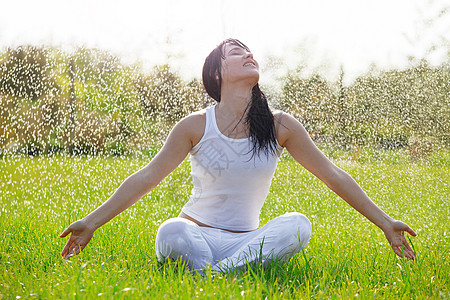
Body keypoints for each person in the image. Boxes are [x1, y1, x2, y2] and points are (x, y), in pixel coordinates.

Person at [60, 38, 417, 272]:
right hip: (195, 235)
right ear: (218, 72)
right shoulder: (195, 125)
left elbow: (334, 176)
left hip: (246, 241)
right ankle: (222, 276)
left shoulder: (281, 125)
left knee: (298, 225)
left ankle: (213, 278)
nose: (250, 55)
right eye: (237, 52)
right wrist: (91, 222)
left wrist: (386, 223)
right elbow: (146, 178)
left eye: (250, 52)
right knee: (171, 231)